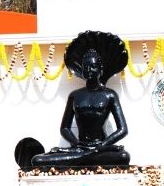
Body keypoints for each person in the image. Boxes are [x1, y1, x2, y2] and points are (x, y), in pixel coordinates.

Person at [30, 31, 131, 168]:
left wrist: (101, 145)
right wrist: (76, 144)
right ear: (81, 69)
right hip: (79, 148)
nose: (89, 70)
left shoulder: (109, 95)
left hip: (101, 148)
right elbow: (65, 128)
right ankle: (84, 156)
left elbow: (123, 129)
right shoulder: (75, 95)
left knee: (123, 157)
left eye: (93, 66)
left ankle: (82, 158)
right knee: (37, 160)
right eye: (86, 67)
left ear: (100, 69)